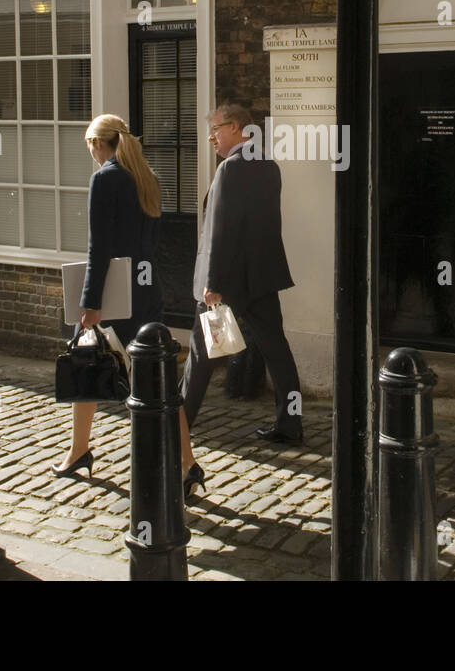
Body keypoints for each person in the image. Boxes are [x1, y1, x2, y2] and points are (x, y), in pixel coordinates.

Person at [178, 102, 304, 500]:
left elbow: (221, 230)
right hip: (260, 278)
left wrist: (214, 283)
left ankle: (176, 429)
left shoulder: (231, 168)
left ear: (236, 127)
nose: (211, 137)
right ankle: (291, 423)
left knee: (200, 359)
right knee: (277, 351)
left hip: (227, 283)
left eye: (215, 129)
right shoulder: (269, 165)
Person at [51, 113, 163, 477]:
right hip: (145, 287)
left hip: (114, 294)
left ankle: (80, 452)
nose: (91, 153)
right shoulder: (146, 176)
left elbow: (98, 248)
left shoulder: (105, 178)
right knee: (153, 373)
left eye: (90, 146)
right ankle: (78, 450)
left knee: (87, 359)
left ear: (99, 143)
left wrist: (90, 302)